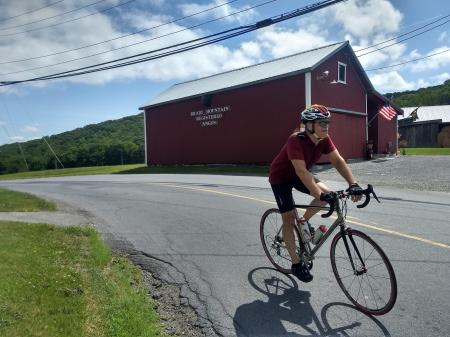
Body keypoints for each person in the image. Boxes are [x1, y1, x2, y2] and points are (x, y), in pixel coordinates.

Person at [269, 104, 362, 282]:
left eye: (327, 122)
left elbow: (338, 161)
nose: (326, 126)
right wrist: (318, 194)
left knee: (330, 196)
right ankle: (296, 264)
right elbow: (302, 171)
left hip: (299, 175)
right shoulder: (295, 140)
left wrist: (353, 183)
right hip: (281, 178)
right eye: (321, 123)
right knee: (288, 219)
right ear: (309, 125)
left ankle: (303, 222)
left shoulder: (324, 139)